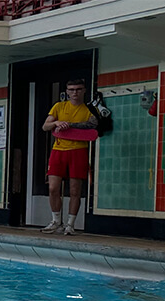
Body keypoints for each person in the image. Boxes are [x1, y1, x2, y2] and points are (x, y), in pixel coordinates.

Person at [39, 79, 97, 235]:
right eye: (71, 89)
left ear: (84, 90)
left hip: (79, 150)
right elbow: (45, 126)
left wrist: (73, 126)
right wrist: (57, 123)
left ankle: (70, 224)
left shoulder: (89, 109)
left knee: (75, 190)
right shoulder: (59, 106)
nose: (75, 92)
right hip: (58, 149)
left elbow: (95, 127)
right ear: (67, 91)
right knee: (53, 188)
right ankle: (56, 221)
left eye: (78, 89)